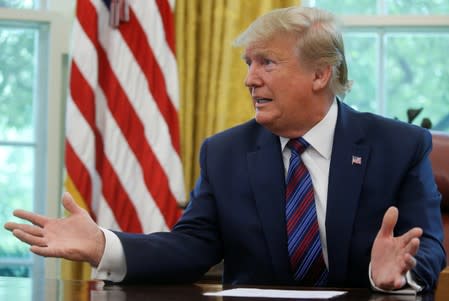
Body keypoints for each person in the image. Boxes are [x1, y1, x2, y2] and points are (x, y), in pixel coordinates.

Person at [4, 6, 446, 292]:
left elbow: (425, 245)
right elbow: (192, 247)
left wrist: (396, 274)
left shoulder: (398, 145)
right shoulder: (225, 152)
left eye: (266, 63)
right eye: (247, 64)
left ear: (320, 74)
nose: (249, 79)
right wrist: (105, 245)